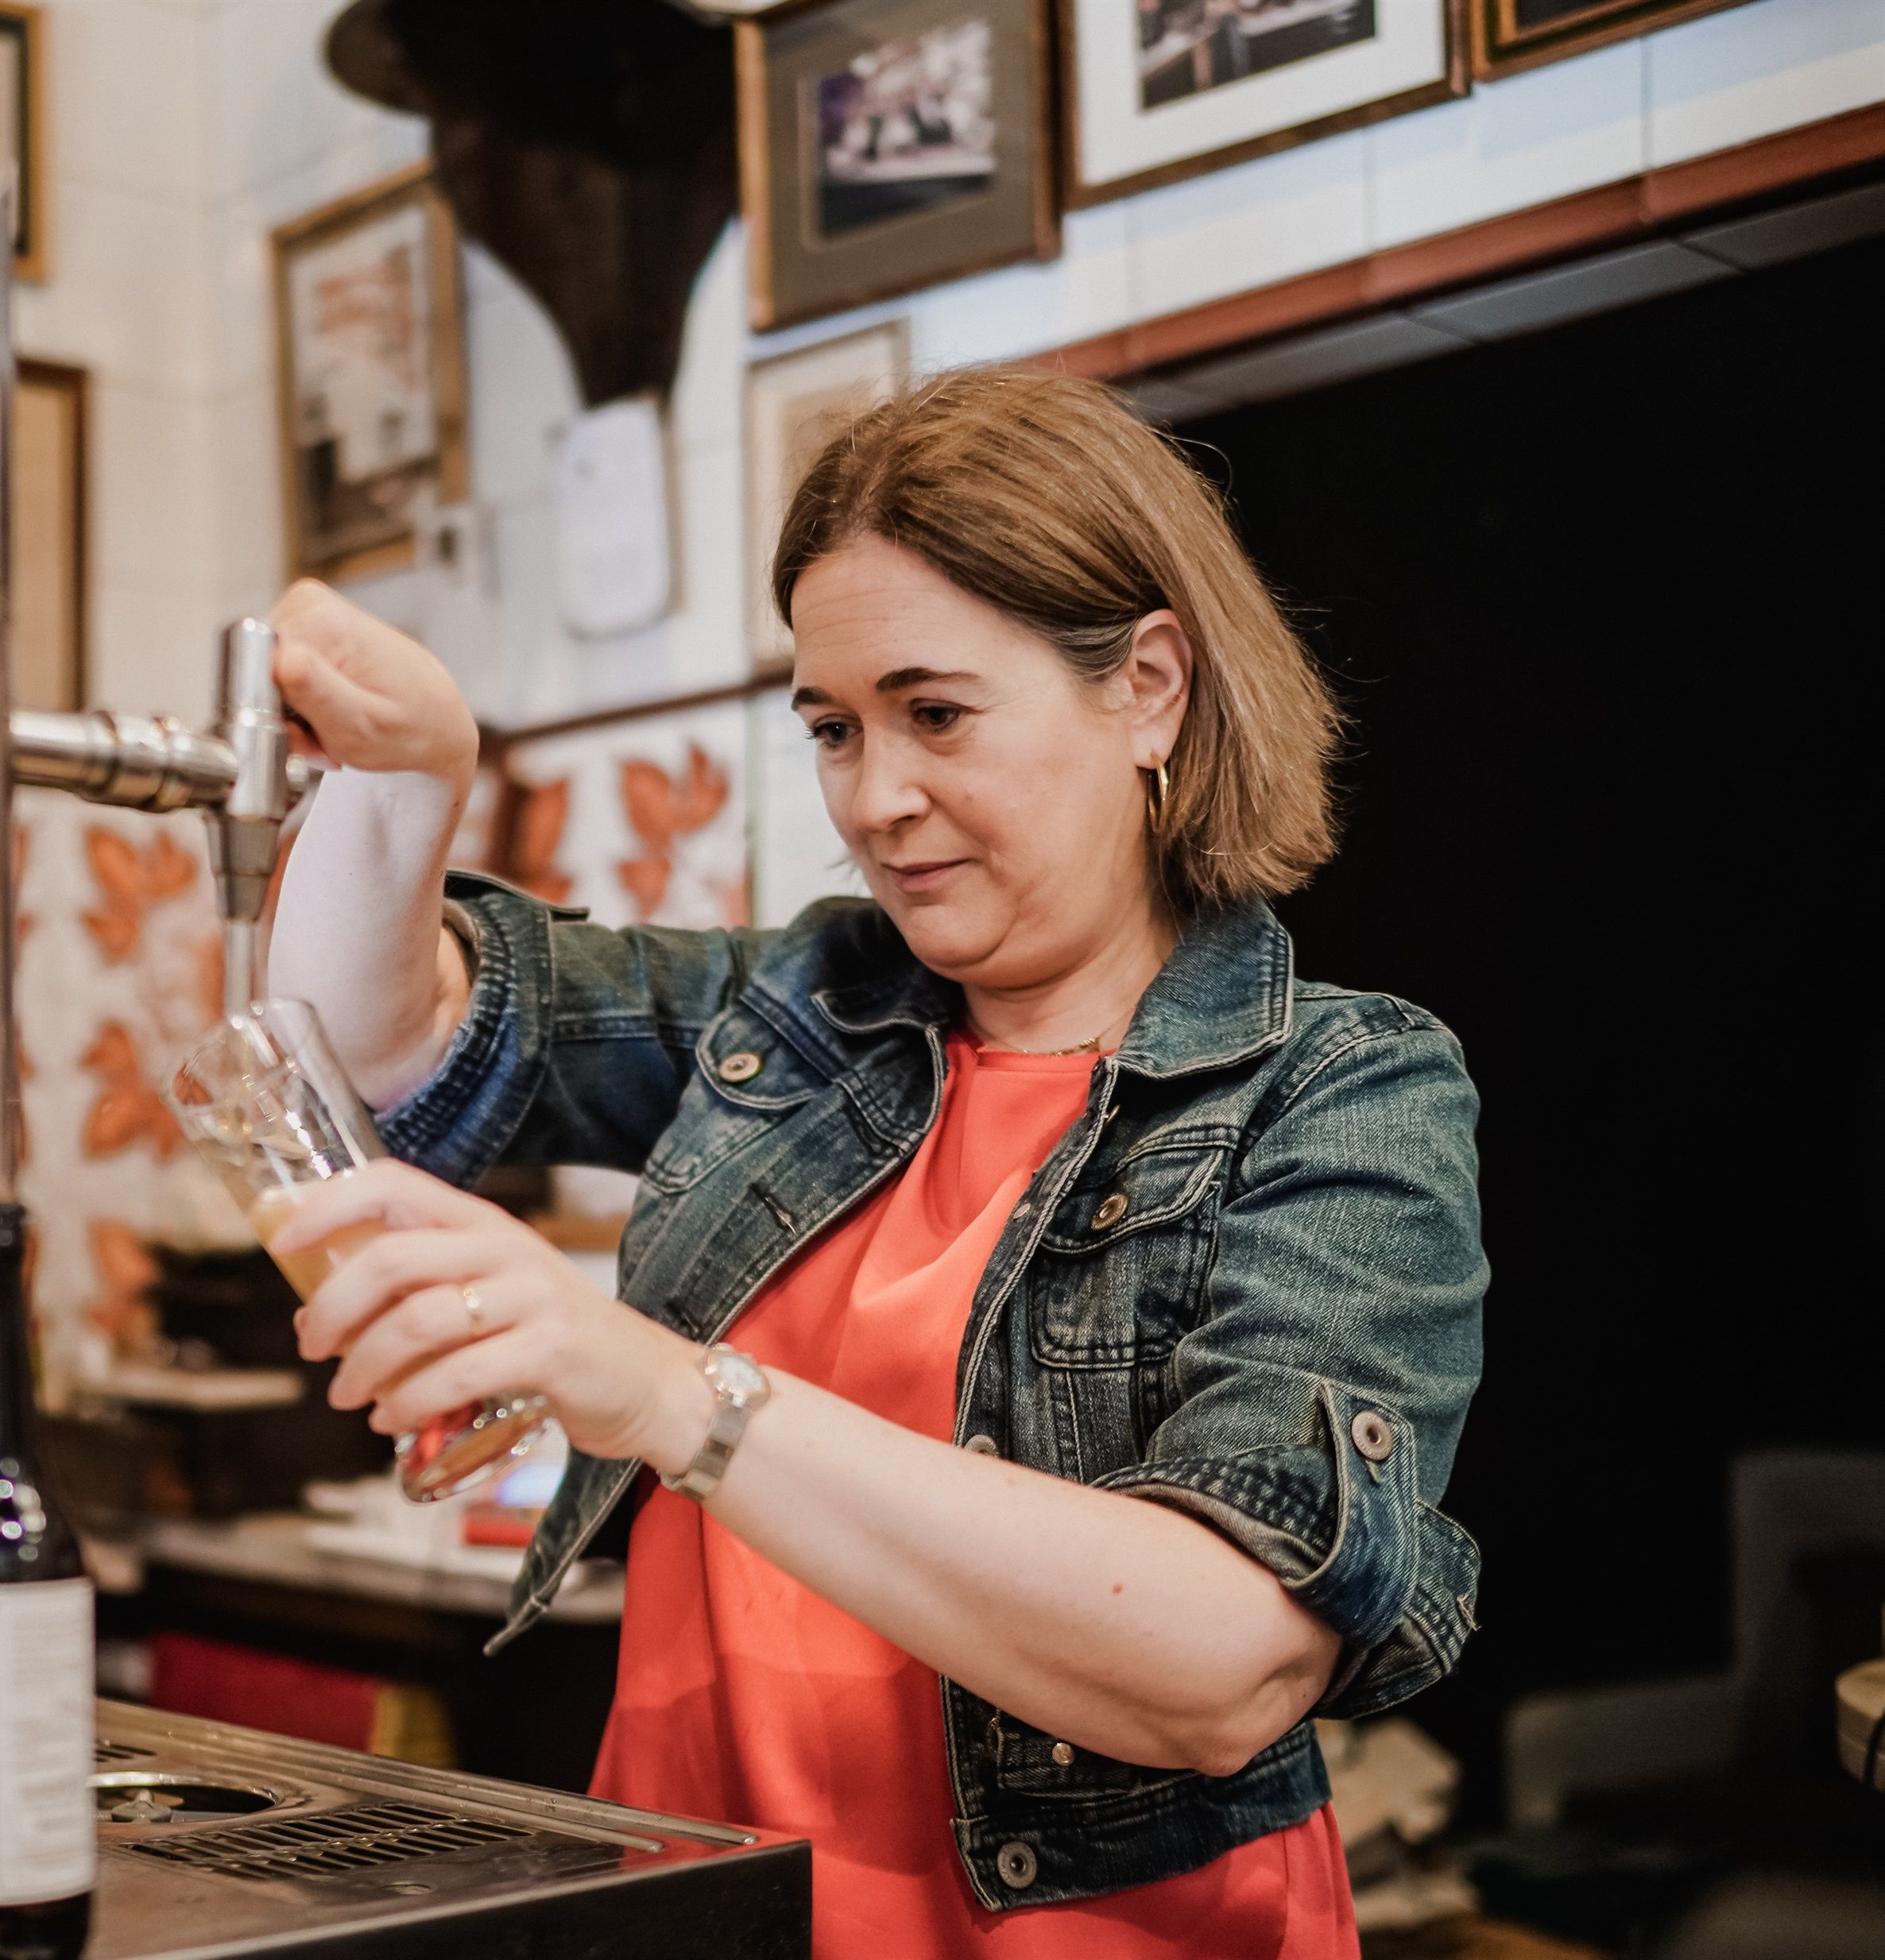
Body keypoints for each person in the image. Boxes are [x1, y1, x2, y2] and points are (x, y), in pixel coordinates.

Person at [261, 365, 1484, 1958]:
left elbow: (1219, 1663)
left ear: (1149, 690)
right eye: (833, 728)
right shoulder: (804, 1011)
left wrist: (663, 1392)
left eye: (936, 712)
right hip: (704, 1912)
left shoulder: (1334, 1088)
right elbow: (387, 1043)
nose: (874, 797)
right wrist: (400, 776)